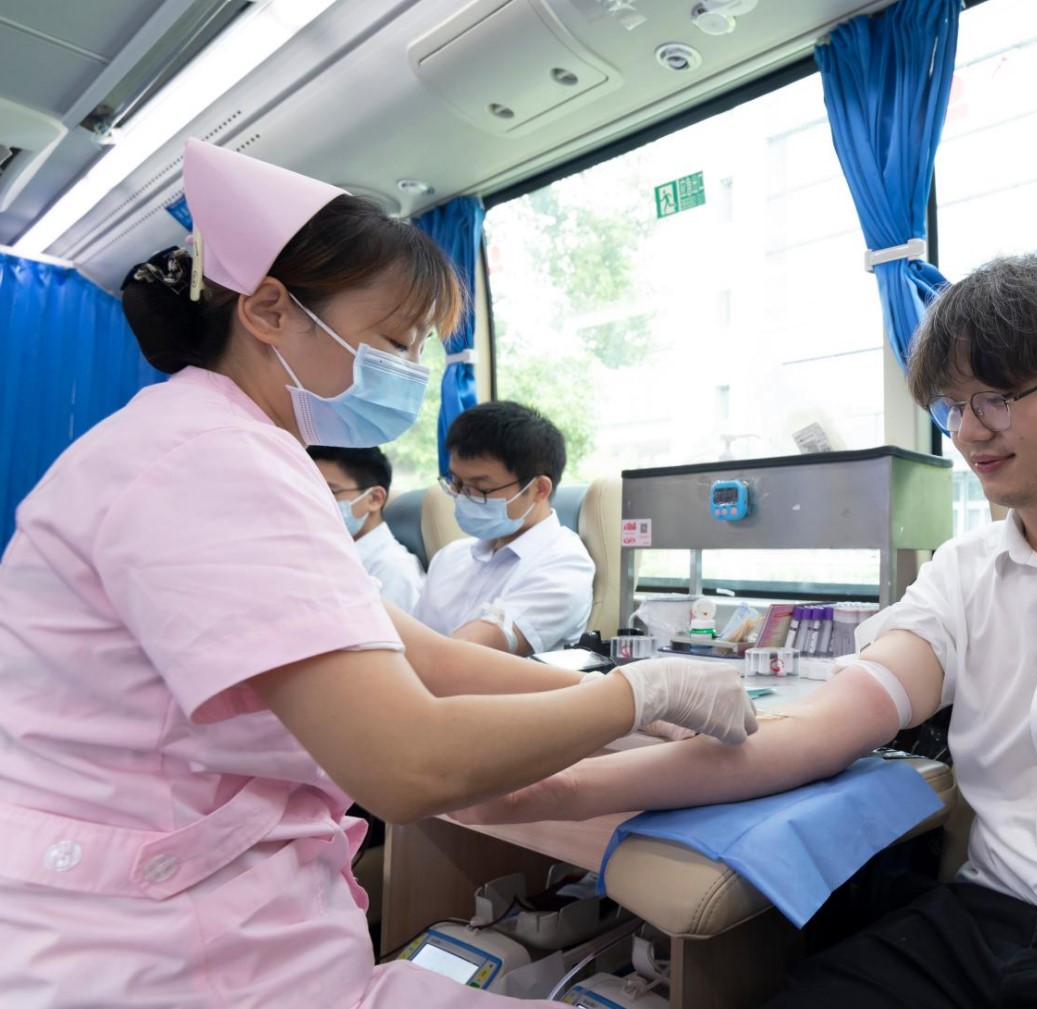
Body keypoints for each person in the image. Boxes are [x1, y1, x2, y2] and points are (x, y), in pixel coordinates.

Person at [458, 251, 1037, 1009]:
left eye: (996, 397)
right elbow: (811, 737)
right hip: (975, 928)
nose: (968, 430)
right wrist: (558, 785)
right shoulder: (962, 573)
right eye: (951, 404)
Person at [0, 139, 756, 1009]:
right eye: (394, 341)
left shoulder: (202, 442)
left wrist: (629, 705)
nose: (410, 373)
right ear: (270, 310)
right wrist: (639, 695)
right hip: (161, 957)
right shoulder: (213, 458)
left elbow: (426, 656)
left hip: (193, 921)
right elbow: (405, 763)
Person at [415, 401, 594, 656]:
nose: (462, 497)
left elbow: (464, 653)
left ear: (539, 489)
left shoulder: (564, 565)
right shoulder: (450, 557)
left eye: (481, 488)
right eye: (456, 482)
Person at [309, 445, 425, 612]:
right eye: (311, 491)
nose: (315, 501)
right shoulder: (325, 552)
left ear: (375, 499)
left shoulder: (393, 569)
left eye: (330, 491)